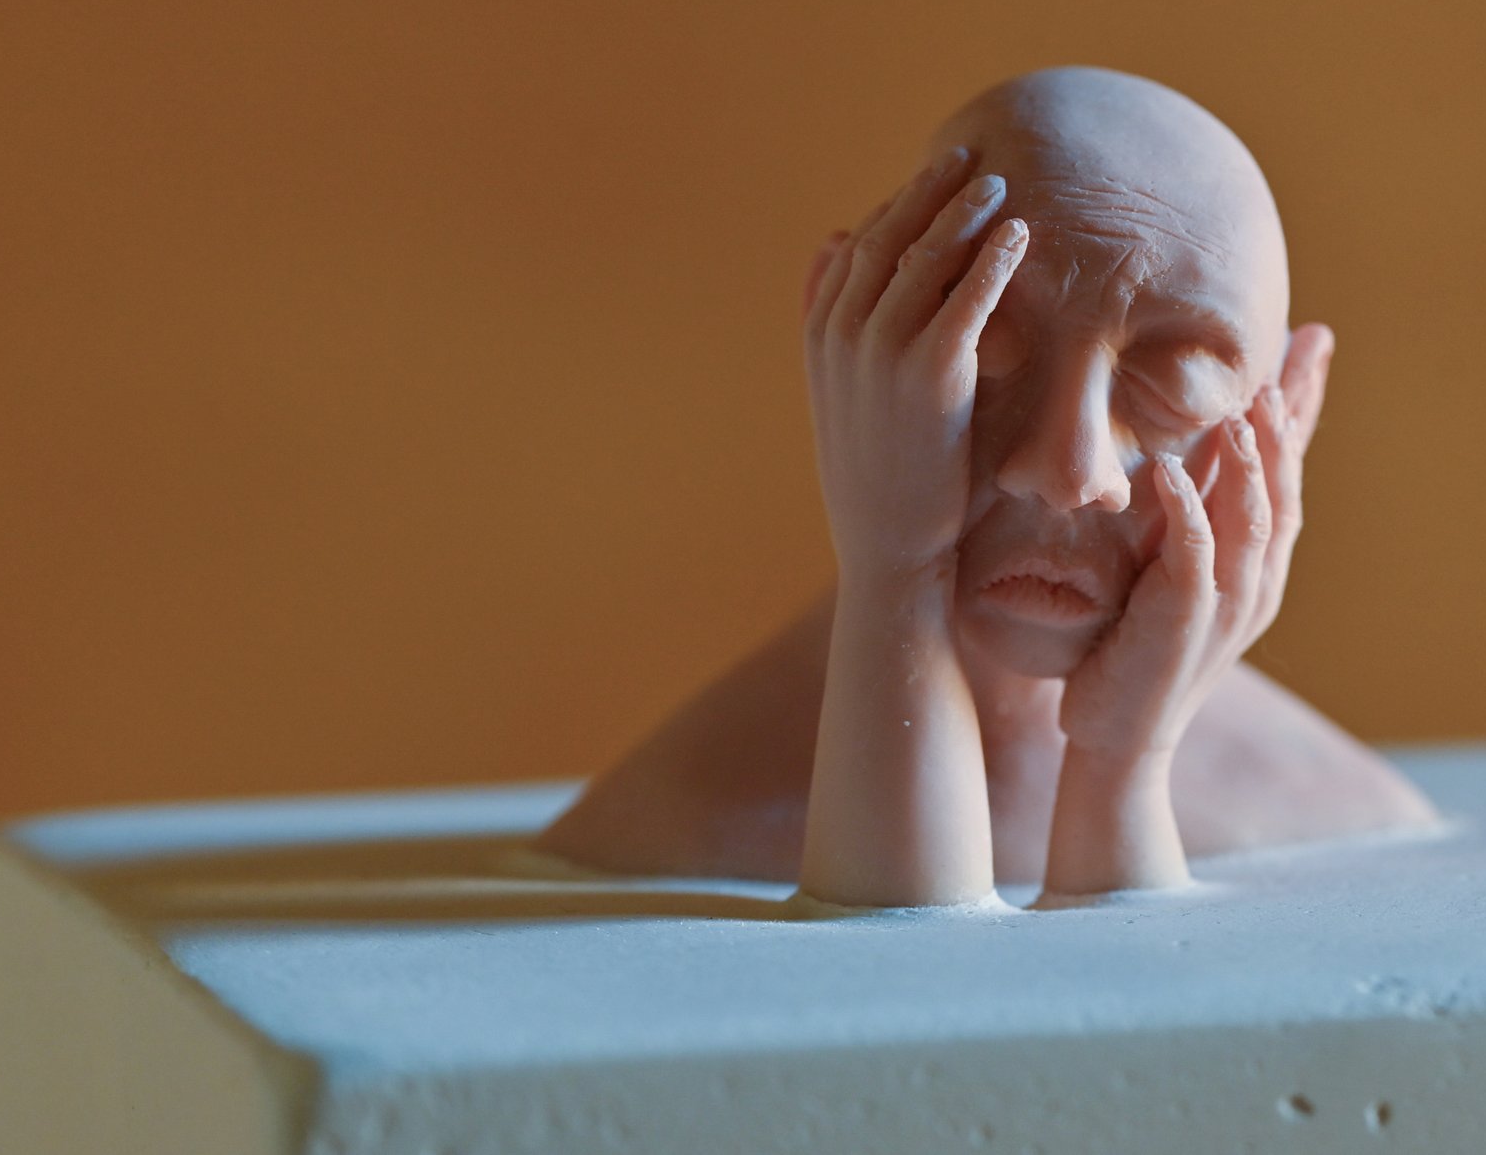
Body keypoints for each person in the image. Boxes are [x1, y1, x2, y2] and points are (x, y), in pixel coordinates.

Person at [538, 67, 1436, 906]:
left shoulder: (1327, 810)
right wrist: (897, 570)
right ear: (842, 330)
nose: (1065, 470)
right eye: (984, 360)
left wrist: (1123, 763)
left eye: (1174, 391)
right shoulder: (683, 824)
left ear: (1290, 403)